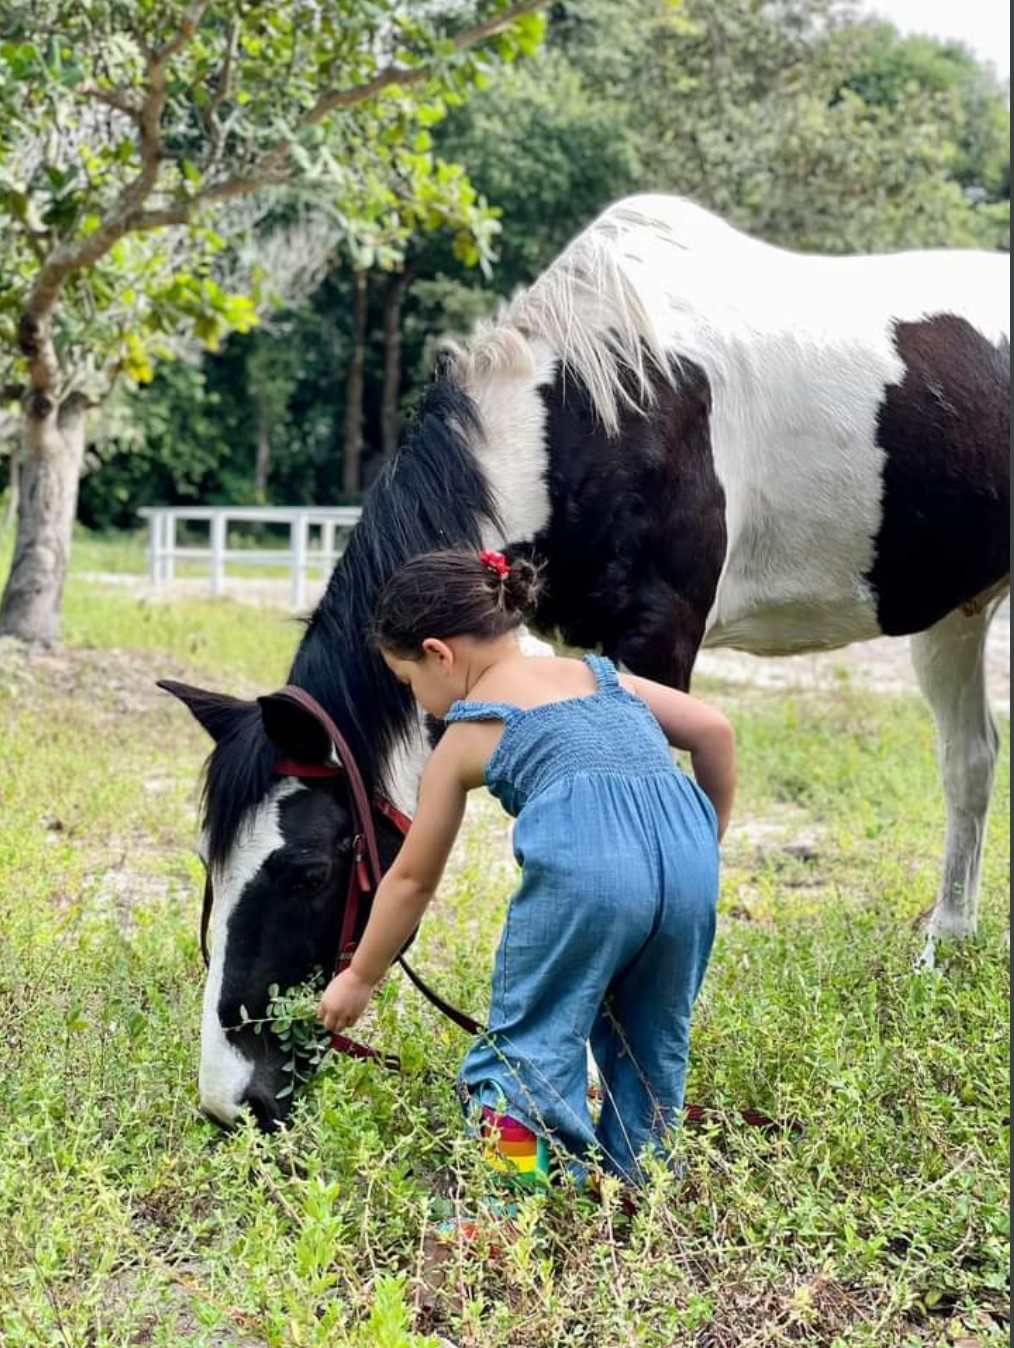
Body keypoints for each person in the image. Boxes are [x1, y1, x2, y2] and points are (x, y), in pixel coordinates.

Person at [316, 548, 736, 1192]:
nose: (420, 703)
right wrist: (704, 841)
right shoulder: (601, 676)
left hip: (587, 878)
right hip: (690, 867)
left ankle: (511, 1201)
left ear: (439, 654)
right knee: (653, 1040)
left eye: (408, 684)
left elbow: (411, 880)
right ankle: (640, 1183)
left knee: (525, 1048)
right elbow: (713, 729)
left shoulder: (469, 733)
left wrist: (360, 978)